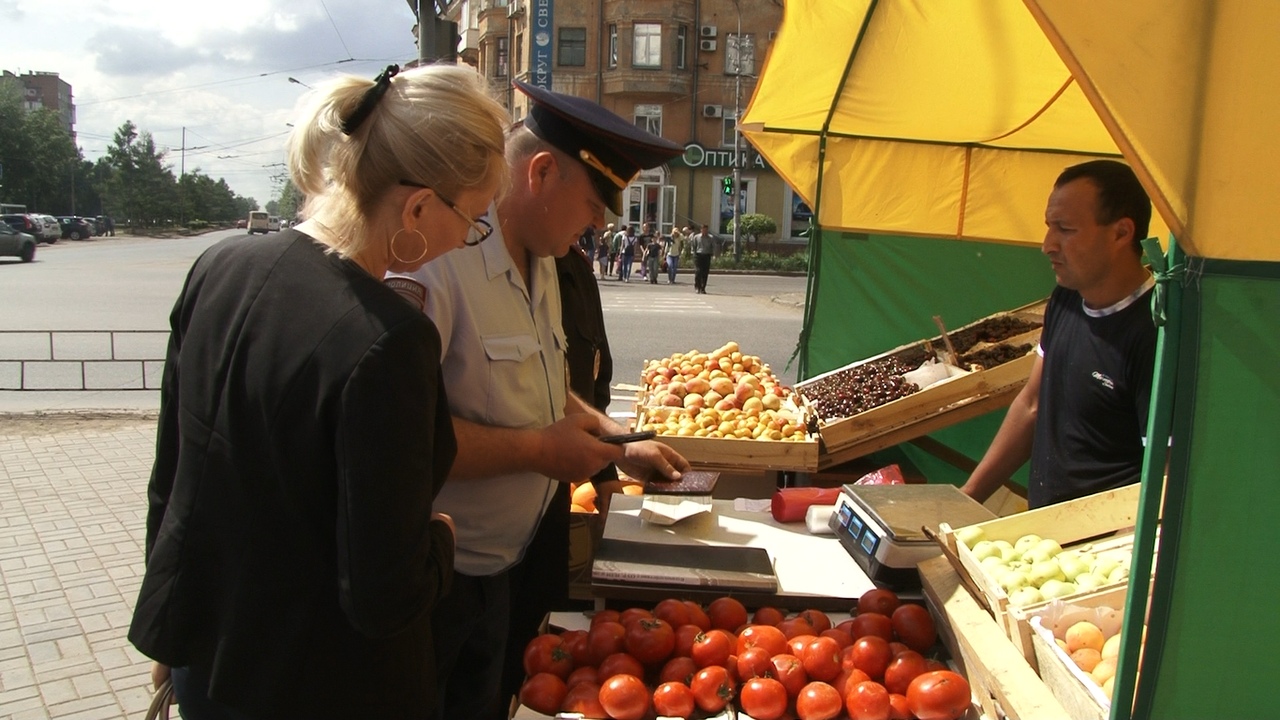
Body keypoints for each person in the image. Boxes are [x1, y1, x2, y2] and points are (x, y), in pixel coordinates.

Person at [127, 64, 509, 720]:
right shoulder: (387, 339)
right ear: (418, 206)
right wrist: (442, 542)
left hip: (207, 658)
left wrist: (170, 633)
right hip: (316, 685)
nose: (466, 240)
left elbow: (176, 476)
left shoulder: (220, 267)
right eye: (473, 219)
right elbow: (383, 594)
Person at [387, 79, 689, 720]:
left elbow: (547, 385)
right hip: (439, 582)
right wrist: (537, 452)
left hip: (512, 568)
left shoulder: (546, 255)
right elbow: (402, 437)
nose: (601, 224)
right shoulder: (438, 261)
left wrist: (617, 442)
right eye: (594, 203)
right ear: (542, 172)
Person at [961, 159, 1157, 509]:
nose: (1048, 245)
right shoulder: (1066, 300)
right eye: (1049, 227)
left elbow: (1165, 475)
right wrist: (965, 499)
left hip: (1105, 538)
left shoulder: (1154, 333)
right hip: (1045, 528)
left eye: (1065, 229)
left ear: (1121, 233)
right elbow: (1032, 405)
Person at [692, 224, 716, 294]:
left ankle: (703, 288)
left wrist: (714, 255)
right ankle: (697, 287)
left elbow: (713, 247)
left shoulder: (710, 238)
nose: (705, 231)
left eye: (706, 230)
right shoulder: (696, 237)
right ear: (701, 230)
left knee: (705, 272)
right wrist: (693, 254)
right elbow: (693, 246)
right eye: (703, 230)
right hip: (698, 255)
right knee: (698, 271)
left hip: (707, 255)